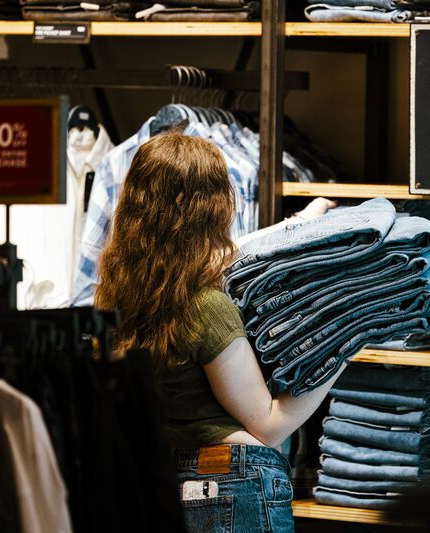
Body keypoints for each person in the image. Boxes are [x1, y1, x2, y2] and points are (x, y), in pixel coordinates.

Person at [95, 131, 347, 532]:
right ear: (211, 209)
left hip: (159, 478)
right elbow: (268, 423)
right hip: (231, 485)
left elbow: (242, 250)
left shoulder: (119, 298)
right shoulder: (206, 306)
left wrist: (301, 223)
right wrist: (344, 344)